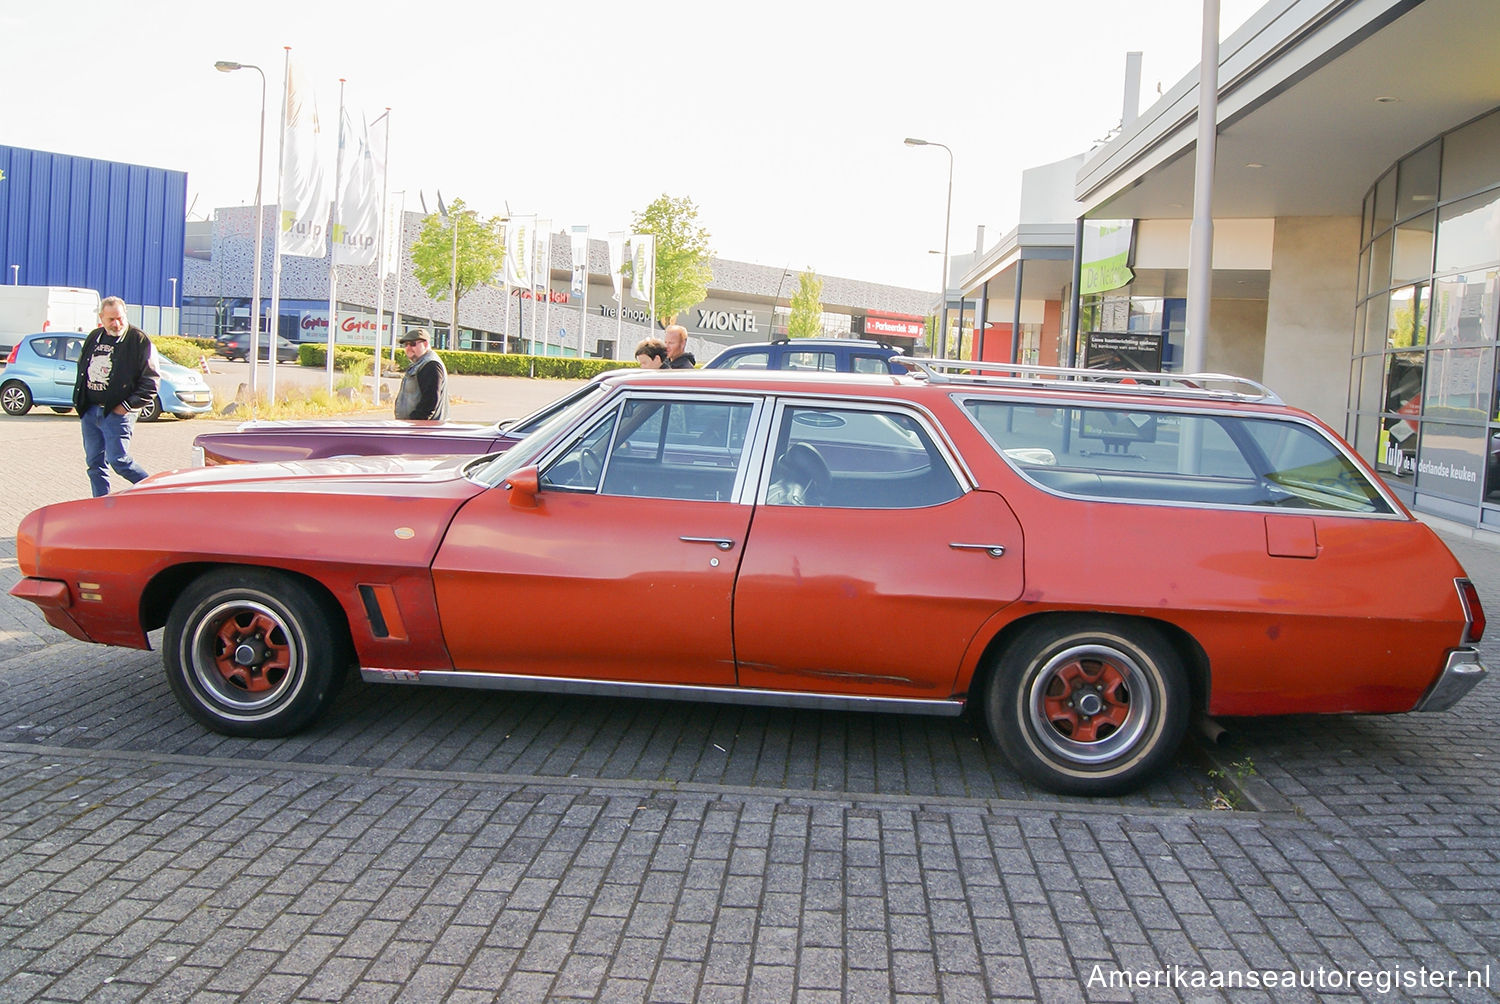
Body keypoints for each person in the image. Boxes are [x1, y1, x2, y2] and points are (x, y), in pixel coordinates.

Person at [72, 296, 160, 497]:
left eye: (119, 318)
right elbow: (82, 368)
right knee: (94, 463)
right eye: (111, 319)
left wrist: (126, 406)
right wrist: (80, 402)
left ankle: (155, 493)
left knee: (119, 461)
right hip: (91, 411)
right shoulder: (94, 337)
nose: (116, 323)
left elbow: (151, 382)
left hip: (118, 412)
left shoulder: (138, 340)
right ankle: (101, 504)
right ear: (101, 317)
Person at [394, 328, 449, 420]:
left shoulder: (430, 365)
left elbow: (429, 403)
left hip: (423, 429)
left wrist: (414, 423)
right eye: (406, 344)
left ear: (426, 344)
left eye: (412, 344)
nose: (408, 348)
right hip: (416, 428)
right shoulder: (420, 364)